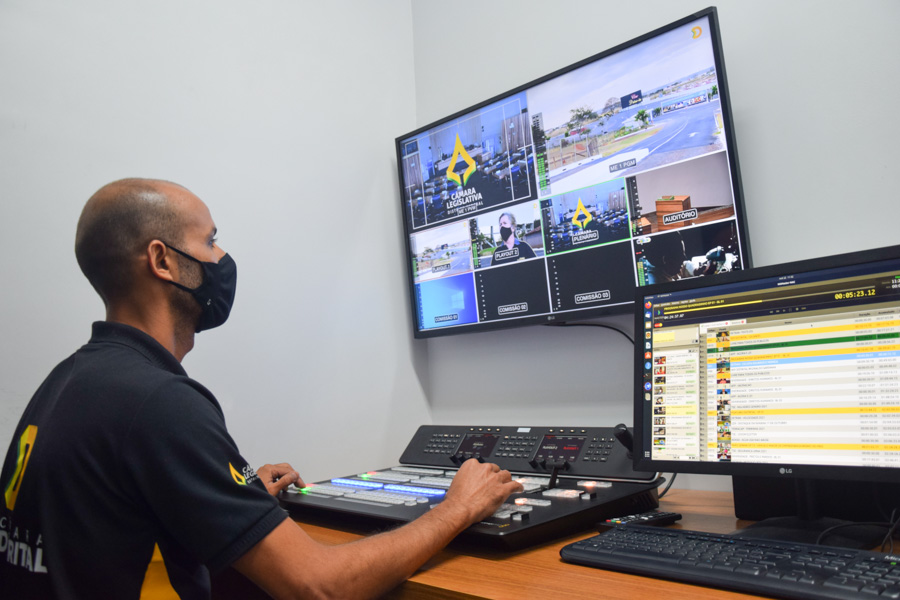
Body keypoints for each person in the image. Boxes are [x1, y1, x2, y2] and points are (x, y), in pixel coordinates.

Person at [0, 178, 523, 599]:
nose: (221, 257)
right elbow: (318, 585)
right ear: (162, 261)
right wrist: (457, 508)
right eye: (207, 241)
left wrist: (232, 498)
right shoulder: (159, 403)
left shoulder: (70, 380)